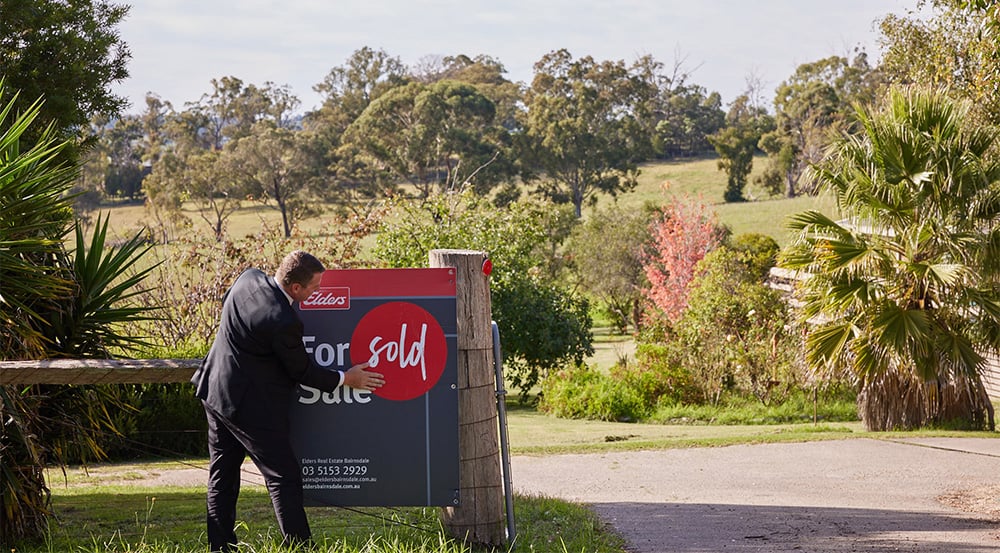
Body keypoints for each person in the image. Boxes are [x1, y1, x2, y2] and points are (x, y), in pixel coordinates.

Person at [190, 250, 385, 552]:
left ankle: (220, 547)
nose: (318, 292)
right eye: (314, 287)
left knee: (222, 475)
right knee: (284, 477)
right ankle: (300, 548)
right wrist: (348, 378)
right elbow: (303, 371)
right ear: (296, 288)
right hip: (249, 407)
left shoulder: (248, 278)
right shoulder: (282, 320)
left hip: (214, 389)